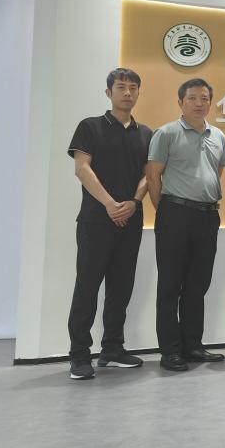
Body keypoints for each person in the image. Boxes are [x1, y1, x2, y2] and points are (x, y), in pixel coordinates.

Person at [65, 68, 153, 380]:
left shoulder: (147, 134)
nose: (127, 93)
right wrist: (109, 204)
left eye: (133, 88)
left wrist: (133, 202)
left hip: (130, 220)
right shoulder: (90, 127)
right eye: (121, 87)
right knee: (87, 287)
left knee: (121, 287)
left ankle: (112, 349)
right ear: (108, 92)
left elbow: (149, 174)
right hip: (95, 220)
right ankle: (79, 355)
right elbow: (82, 168)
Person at [146, 78, 225, 371]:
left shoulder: (219, 136)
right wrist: (165, 212)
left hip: (207, 216)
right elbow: (153, 176)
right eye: (192, 98)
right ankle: (170, 351)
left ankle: (192, 345)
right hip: (174, 214)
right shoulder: (166, 133)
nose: (199, 103)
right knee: (170, 285)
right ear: (180, 102)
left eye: (204, 98)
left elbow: (217, 172)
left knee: (197, 285)